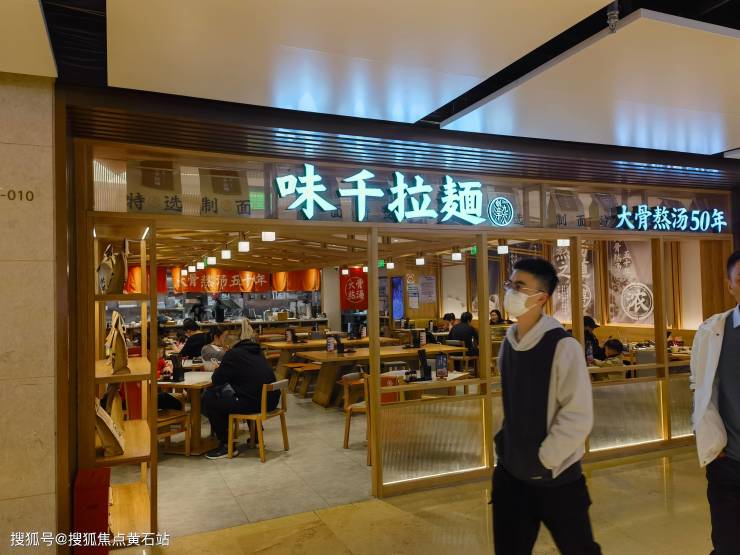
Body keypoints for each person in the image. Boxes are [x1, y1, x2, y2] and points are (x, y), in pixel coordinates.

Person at [493, 257, 600, 554]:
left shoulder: (563, 346)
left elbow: (578, 415)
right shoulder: (508, 343)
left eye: (519, 286)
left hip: (558, 479)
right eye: (510, 284)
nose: (510, 292)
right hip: (510, 475)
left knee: (579, 548)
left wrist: (544, 458)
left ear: (541, 298)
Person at [691, 250, 740, 553]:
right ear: (730, 285)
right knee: (727, 543)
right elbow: (698, 385)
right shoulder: (712, 332)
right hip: (727, 462)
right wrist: (705, 434)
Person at [202, 332, 280, 459]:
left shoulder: (232, 354)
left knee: (211, 400)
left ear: (227, 346)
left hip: (255, 403)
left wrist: (218, 368)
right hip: (271, 400)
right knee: (246, 392)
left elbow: (217, 380)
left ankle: (227, 446)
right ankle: (255, 438)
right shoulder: (256, 351)